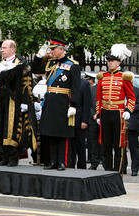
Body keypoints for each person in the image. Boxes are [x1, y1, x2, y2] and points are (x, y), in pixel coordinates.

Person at [0, 39, 37, 167]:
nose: (2, 50)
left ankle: (12, 157)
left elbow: (27, 84)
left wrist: (25, 102)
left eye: (4, 48)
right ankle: (2, 156)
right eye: (1, 48)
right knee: (0, 127)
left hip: (14, 101)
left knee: (11, 129)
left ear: (13, 49)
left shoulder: (21, 65)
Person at [31, 38, 81, 171]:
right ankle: (52, 161)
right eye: (51, 49)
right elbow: (34, 69)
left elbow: (75, 87)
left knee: (62, 134)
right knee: (50, 133)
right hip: (50, 101)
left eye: (54, 49)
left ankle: (62, 161)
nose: (51, 51)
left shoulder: (73, 65)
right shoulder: (50, 63)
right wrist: (38, 56)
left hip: (63, 102)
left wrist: (74, 105)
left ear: (61, 49)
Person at [96, 44, 136, 173]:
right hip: (105, 113)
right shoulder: (103, 77)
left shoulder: (124, 77)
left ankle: (118, 171)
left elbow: (131, 97)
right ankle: (108, 171)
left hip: (118, 114)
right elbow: (98, 98)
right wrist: (98, 113)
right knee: (106, 144)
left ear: (118, 62)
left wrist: (128, 110)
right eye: (108, 61)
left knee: (119, 144)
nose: (110, 63)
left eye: (112, 61)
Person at [70, 77, 91, 169]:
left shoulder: (84, 83)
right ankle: (70, 165)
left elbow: (87, 104)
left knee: (81, 146)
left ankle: (81, 166)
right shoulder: (67, 81)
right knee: (71, 146)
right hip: (69, 118)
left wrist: (85, 120)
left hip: (80, 119)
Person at [85, 72, 104, 170]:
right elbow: (88, 103)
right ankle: (94, 162)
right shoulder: (91, 90)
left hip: (102, 118)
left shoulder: (105, 90)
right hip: (93, 119)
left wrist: (99, 114)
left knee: (104, 142)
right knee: (92, 142)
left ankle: (104, 162)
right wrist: (94, 114)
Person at [128, 85, 139, 176]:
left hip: (133, 122)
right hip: (118, 121)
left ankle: (134, 168)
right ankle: (122, 168)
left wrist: (128, 109)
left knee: (133, 147)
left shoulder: (136, 90)